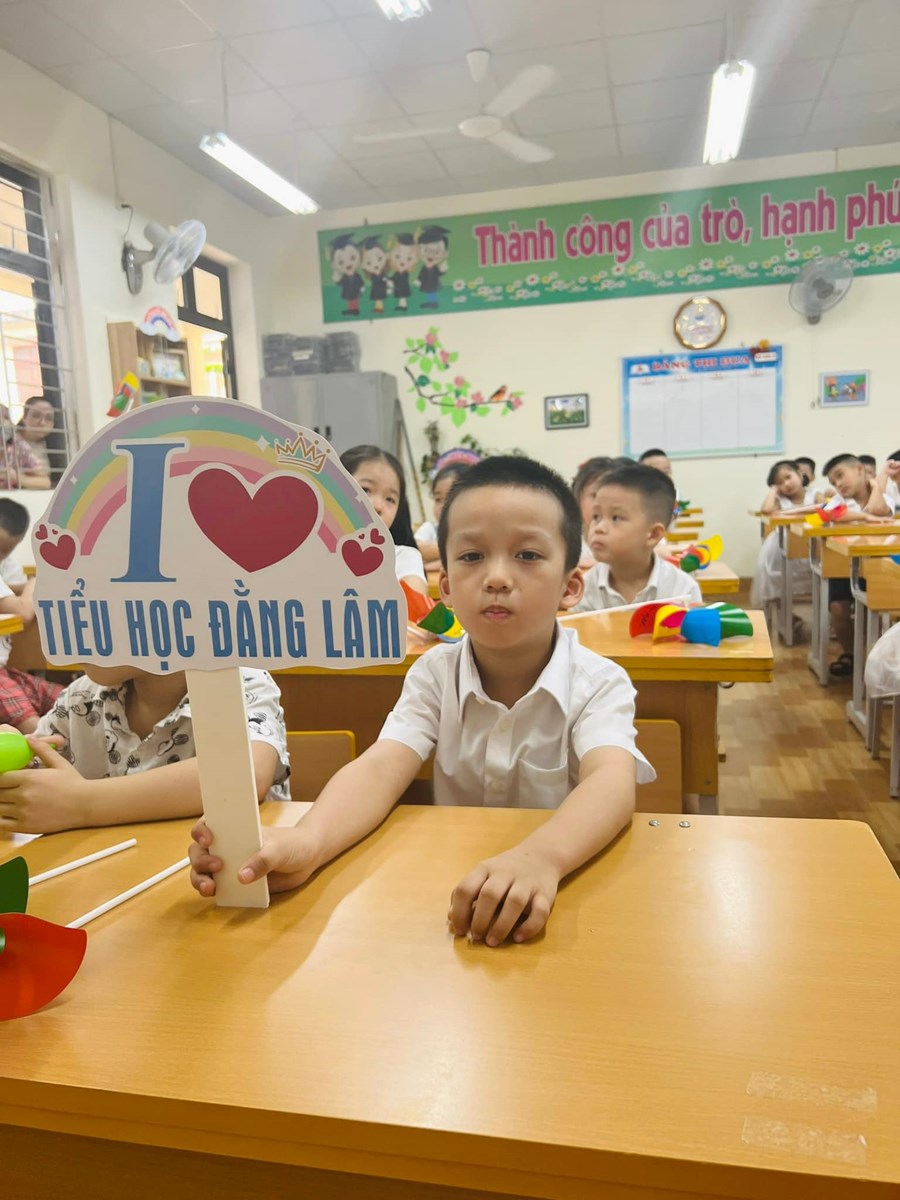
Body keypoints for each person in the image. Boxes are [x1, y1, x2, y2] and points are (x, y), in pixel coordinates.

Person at [189, 456, 654, 946]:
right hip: (452, 896)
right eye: (472, 556)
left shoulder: (600, 682)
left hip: (561, 897)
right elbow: (382, 766)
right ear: (446, 589)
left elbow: (612, 782)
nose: (497, 577)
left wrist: (543, 858)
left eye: (528, 555)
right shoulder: (435, 673)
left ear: (570, 587)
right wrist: (309, 840)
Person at [0, 666, 290, 834]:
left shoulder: (237, 683)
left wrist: (81, 803)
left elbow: (245, 773)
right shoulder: (82, 695)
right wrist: (16, 760)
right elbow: (40, 774)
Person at [574, 464, 702, 610]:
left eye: (616, 518)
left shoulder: (682, 590)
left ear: (653, 534)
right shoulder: (583, 589)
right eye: (596, 516)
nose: (599, 528)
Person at [822, 453, 889, 678]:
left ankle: (878, 660)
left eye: (840, 475)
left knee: (879, 609)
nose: (838, 484)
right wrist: (865, 517)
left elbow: (878, 510)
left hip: (879, 564)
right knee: (838, 610)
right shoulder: (839, 501)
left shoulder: (885, 493)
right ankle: (851, 653)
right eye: (833, 482)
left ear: (860, 469)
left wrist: (876, 485)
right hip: (846, 566)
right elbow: (828, 513)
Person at [0, 502, 60, 731]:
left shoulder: (7, 571)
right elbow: (23, 613)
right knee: (37, 730)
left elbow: (8, 590)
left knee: (66, 702)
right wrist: (34, 582)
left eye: (4, 552)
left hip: (6, 671)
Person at [340, 445, 428, 595]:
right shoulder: (310, 553)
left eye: (390, 499)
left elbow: (413, 601)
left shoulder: (404, 557)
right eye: (365, 490)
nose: (378, 506)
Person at [750, 461, 816, 621]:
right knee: (773, 577)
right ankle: (786, 619)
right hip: (782, 548)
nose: (786, 484)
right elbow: (766, 510)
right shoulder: (781, 500)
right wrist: (773, 490)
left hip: (812, 547)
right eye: (780, 483)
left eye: (788, 477)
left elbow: (827, 508)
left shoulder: (815, 495)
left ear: (799, 474)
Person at [415, 461, 472, 569]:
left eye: (449, 498)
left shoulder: (476, 531)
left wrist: (431, 563)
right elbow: (413, 549)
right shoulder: (431, 528)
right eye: (438, 499)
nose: (442, 507)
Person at [571, 457, 617, 567]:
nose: (604, 504)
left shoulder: (629, 537)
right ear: (577, 498)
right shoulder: (568, 540)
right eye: (595, 495)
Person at [15, 395, 56, 486]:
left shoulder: (52, 447)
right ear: (24, 418)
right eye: (36, 416)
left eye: (49, 418)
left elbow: (45, 482)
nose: (42, 422)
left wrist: (16, 477)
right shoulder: (8, 442)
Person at [866, 451, 900, 516]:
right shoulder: (888, 487)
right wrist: (885, 472)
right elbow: (876, 505)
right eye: (892, 467)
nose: (894, 473)